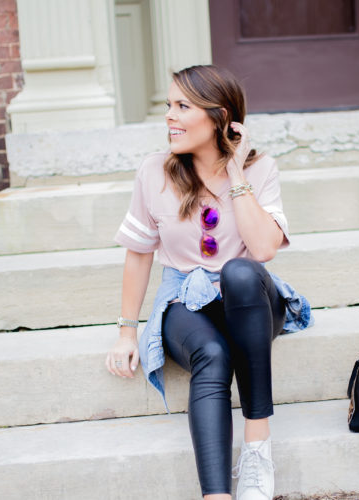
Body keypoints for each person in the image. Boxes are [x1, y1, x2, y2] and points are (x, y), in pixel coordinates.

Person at [105, 65, 312, 500]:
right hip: (185, 296)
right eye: (168, 106)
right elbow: (139, 254)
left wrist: (236, 175)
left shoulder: (261, 169)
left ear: (219, 118)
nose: (169, 116)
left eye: (183, 107)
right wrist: (127, 331)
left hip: (249, 299)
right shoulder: (154, 172)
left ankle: (256, 445)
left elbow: (263, 250)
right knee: (213, 353)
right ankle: (215, 495)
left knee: (239, 271)